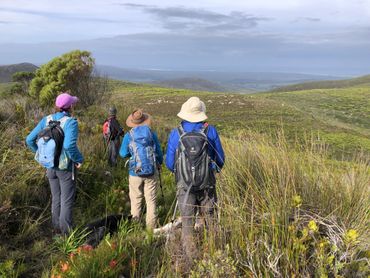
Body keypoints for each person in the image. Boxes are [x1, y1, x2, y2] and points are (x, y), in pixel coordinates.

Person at [165, 96, 225, 259]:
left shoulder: (176, 133)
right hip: (207, 185)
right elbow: (220, 160)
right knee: (211, 219)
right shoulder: (210, 131)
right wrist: (210, 169)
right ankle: (215, 255)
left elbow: (170, 163)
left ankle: (191, 261)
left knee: (187, 222)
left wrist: (183, 172)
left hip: (185, 186)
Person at [26, 92, 83, 236]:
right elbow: (70, 145)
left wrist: (41, 155)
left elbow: (29, 140)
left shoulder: (46, 119)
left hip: (50, 167)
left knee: (56, 198)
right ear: (70, 107)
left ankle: (56, 230)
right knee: (67, 200)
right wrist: (78, 159)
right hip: (65, 168)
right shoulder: (71, 122)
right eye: (72, 104)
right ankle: (66, 235)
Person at [119, 109, 163, 230]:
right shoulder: (151, 133)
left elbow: (122, 153)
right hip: (151, 170)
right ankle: (151, 229)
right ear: (144, 121)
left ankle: (135, 226)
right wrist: (159, 163)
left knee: (136, 199)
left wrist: (132, 155)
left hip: (135, 171)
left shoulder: (129, 135)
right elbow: (158, 152)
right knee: (151, 200)